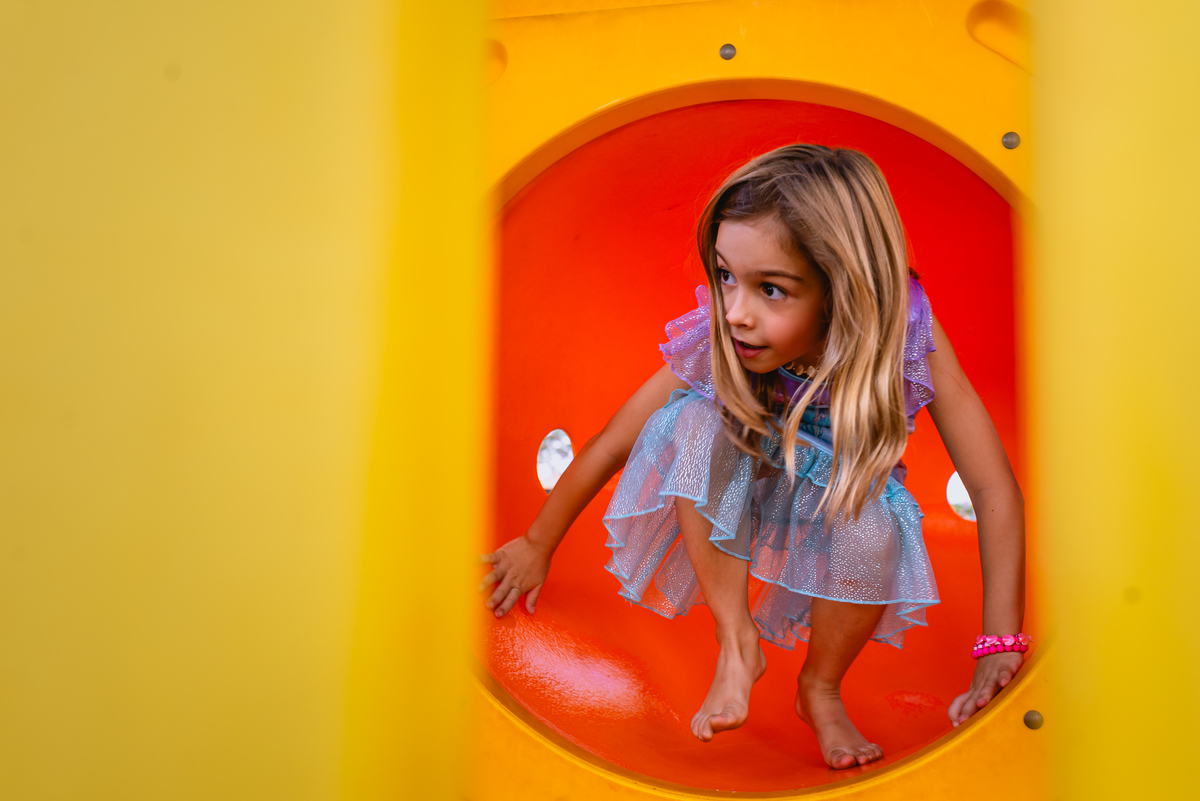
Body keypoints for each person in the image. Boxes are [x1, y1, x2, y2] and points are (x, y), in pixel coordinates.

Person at [479, 144, 1026, 770]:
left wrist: (999, 642)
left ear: (842, 288)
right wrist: (537, 542)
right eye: (725, 276)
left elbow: (991, 487)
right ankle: (737, 639)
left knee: (877, 530)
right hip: (727, 488)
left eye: (771, 289)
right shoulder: (728, 329)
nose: (736, 312)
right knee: (693, 419)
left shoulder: (906, 330)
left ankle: (819, 688)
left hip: (837, 503)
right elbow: (616, 437)